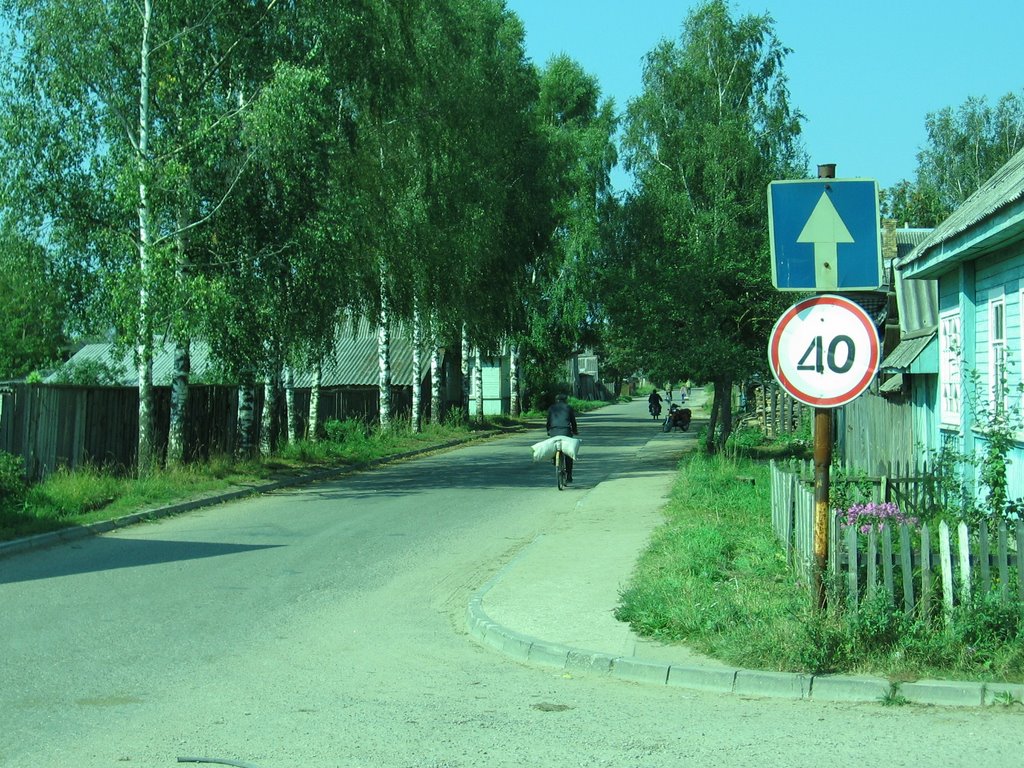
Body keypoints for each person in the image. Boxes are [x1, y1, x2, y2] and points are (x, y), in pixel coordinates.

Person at [546, 393, 579, 483]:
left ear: (556, 400)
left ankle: (554, 458)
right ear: (565, 400)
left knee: (553, 444)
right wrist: (575, 431)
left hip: (553, 432)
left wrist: (548, 431)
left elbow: (548, 422)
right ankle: (569, 475)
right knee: (568, 453)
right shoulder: (568, 408)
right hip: (566, 432)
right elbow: (573, 421)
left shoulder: (551, 408)